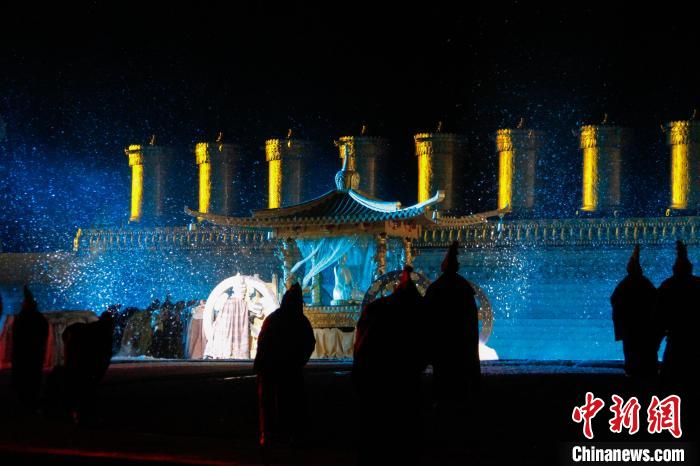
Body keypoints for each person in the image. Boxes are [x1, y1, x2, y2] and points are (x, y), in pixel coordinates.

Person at [353, 265, 427, 465]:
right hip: (406, 383)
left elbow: (361, 346)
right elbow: (425, 348)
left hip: (374, 381)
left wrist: (359, 376)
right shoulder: (417, 312)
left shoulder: (376, 308)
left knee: (375, 434)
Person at [254, 283, 316, 447]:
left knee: (270, 403)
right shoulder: (301, 321)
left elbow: (262, 342)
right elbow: (310, 343)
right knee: (291, 402)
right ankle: (290, 435)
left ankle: (268, 435)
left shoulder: (273, 318)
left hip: (270, 369)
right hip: (290, 370)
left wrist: (260, 365)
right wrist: (299, 362)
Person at [610, 245, 659, 379]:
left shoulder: (625, 284)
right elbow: (656, 301)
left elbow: (615, 301)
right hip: (645, 327)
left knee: (631, 355)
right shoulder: (645, 283)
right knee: (647, 356)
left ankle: (632, 377)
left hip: (629, 328)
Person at [657, 241, 700, 389]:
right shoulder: (697, 285)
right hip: (695, 342)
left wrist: (655, 343)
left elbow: (658, 318)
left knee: (670, 383)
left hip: (675, 342)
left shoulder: (667, 286)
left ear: (674, 269)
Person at [11, 286, 49, 410]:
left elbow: (16, 337)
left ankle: (25, 403)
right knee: (33, 379)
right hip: (35, 354)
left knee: (23, 379)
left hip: (23, 355)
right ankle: (31, 402)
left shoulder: (22, 318)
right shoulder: (39, 318)